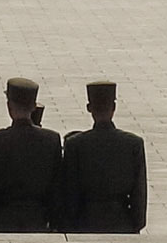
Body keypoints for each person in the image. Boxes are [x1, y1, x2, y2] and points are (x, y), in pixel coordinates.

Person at [60, 81, 147, 233]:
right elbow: (139, 192)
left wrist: (70, 224)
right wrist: (136, 223)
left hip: (85, 221)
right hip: (122, 220)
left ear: (89, 108)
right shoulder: (133, 144)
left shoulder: (75, 144)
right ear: (114, 108)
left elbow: (70, 190)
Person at [0, 77, 62, 232]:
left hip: (4, 218)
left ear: (9, 106)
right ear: (33, 107)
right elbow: (56, 188)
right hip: (38, 218)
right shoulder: (51, 139)